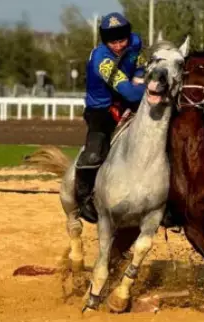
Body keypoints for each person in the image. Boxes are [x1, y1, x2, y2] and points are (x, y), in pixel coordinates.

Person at [75, 12, 148, 222]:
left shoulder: (135, 43)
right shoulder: (101, 60)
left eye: (121, 40)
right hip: (102, 109)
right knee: (94, 153)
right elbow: (130, 92)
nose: (118, 46)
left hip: (128, 102)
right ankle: (83, 196)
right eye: (112, 42)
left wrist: (140, 76)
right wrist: (150, 88)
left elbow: (141, 64)